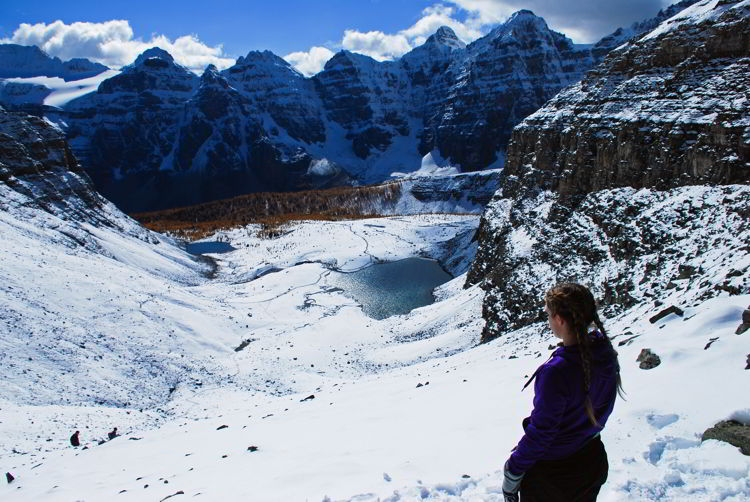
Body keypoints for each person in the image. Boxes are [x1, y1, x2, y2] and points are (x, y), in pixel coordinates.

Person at [502, 283, 623, 502]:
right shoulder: (605, 352)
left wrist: (513, 471)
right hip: (591, 459)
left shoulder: (556, 372)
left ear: (559, 319)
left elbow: (542, 432)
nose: (548, 321)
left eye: (549, 314)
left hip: (554, 477)